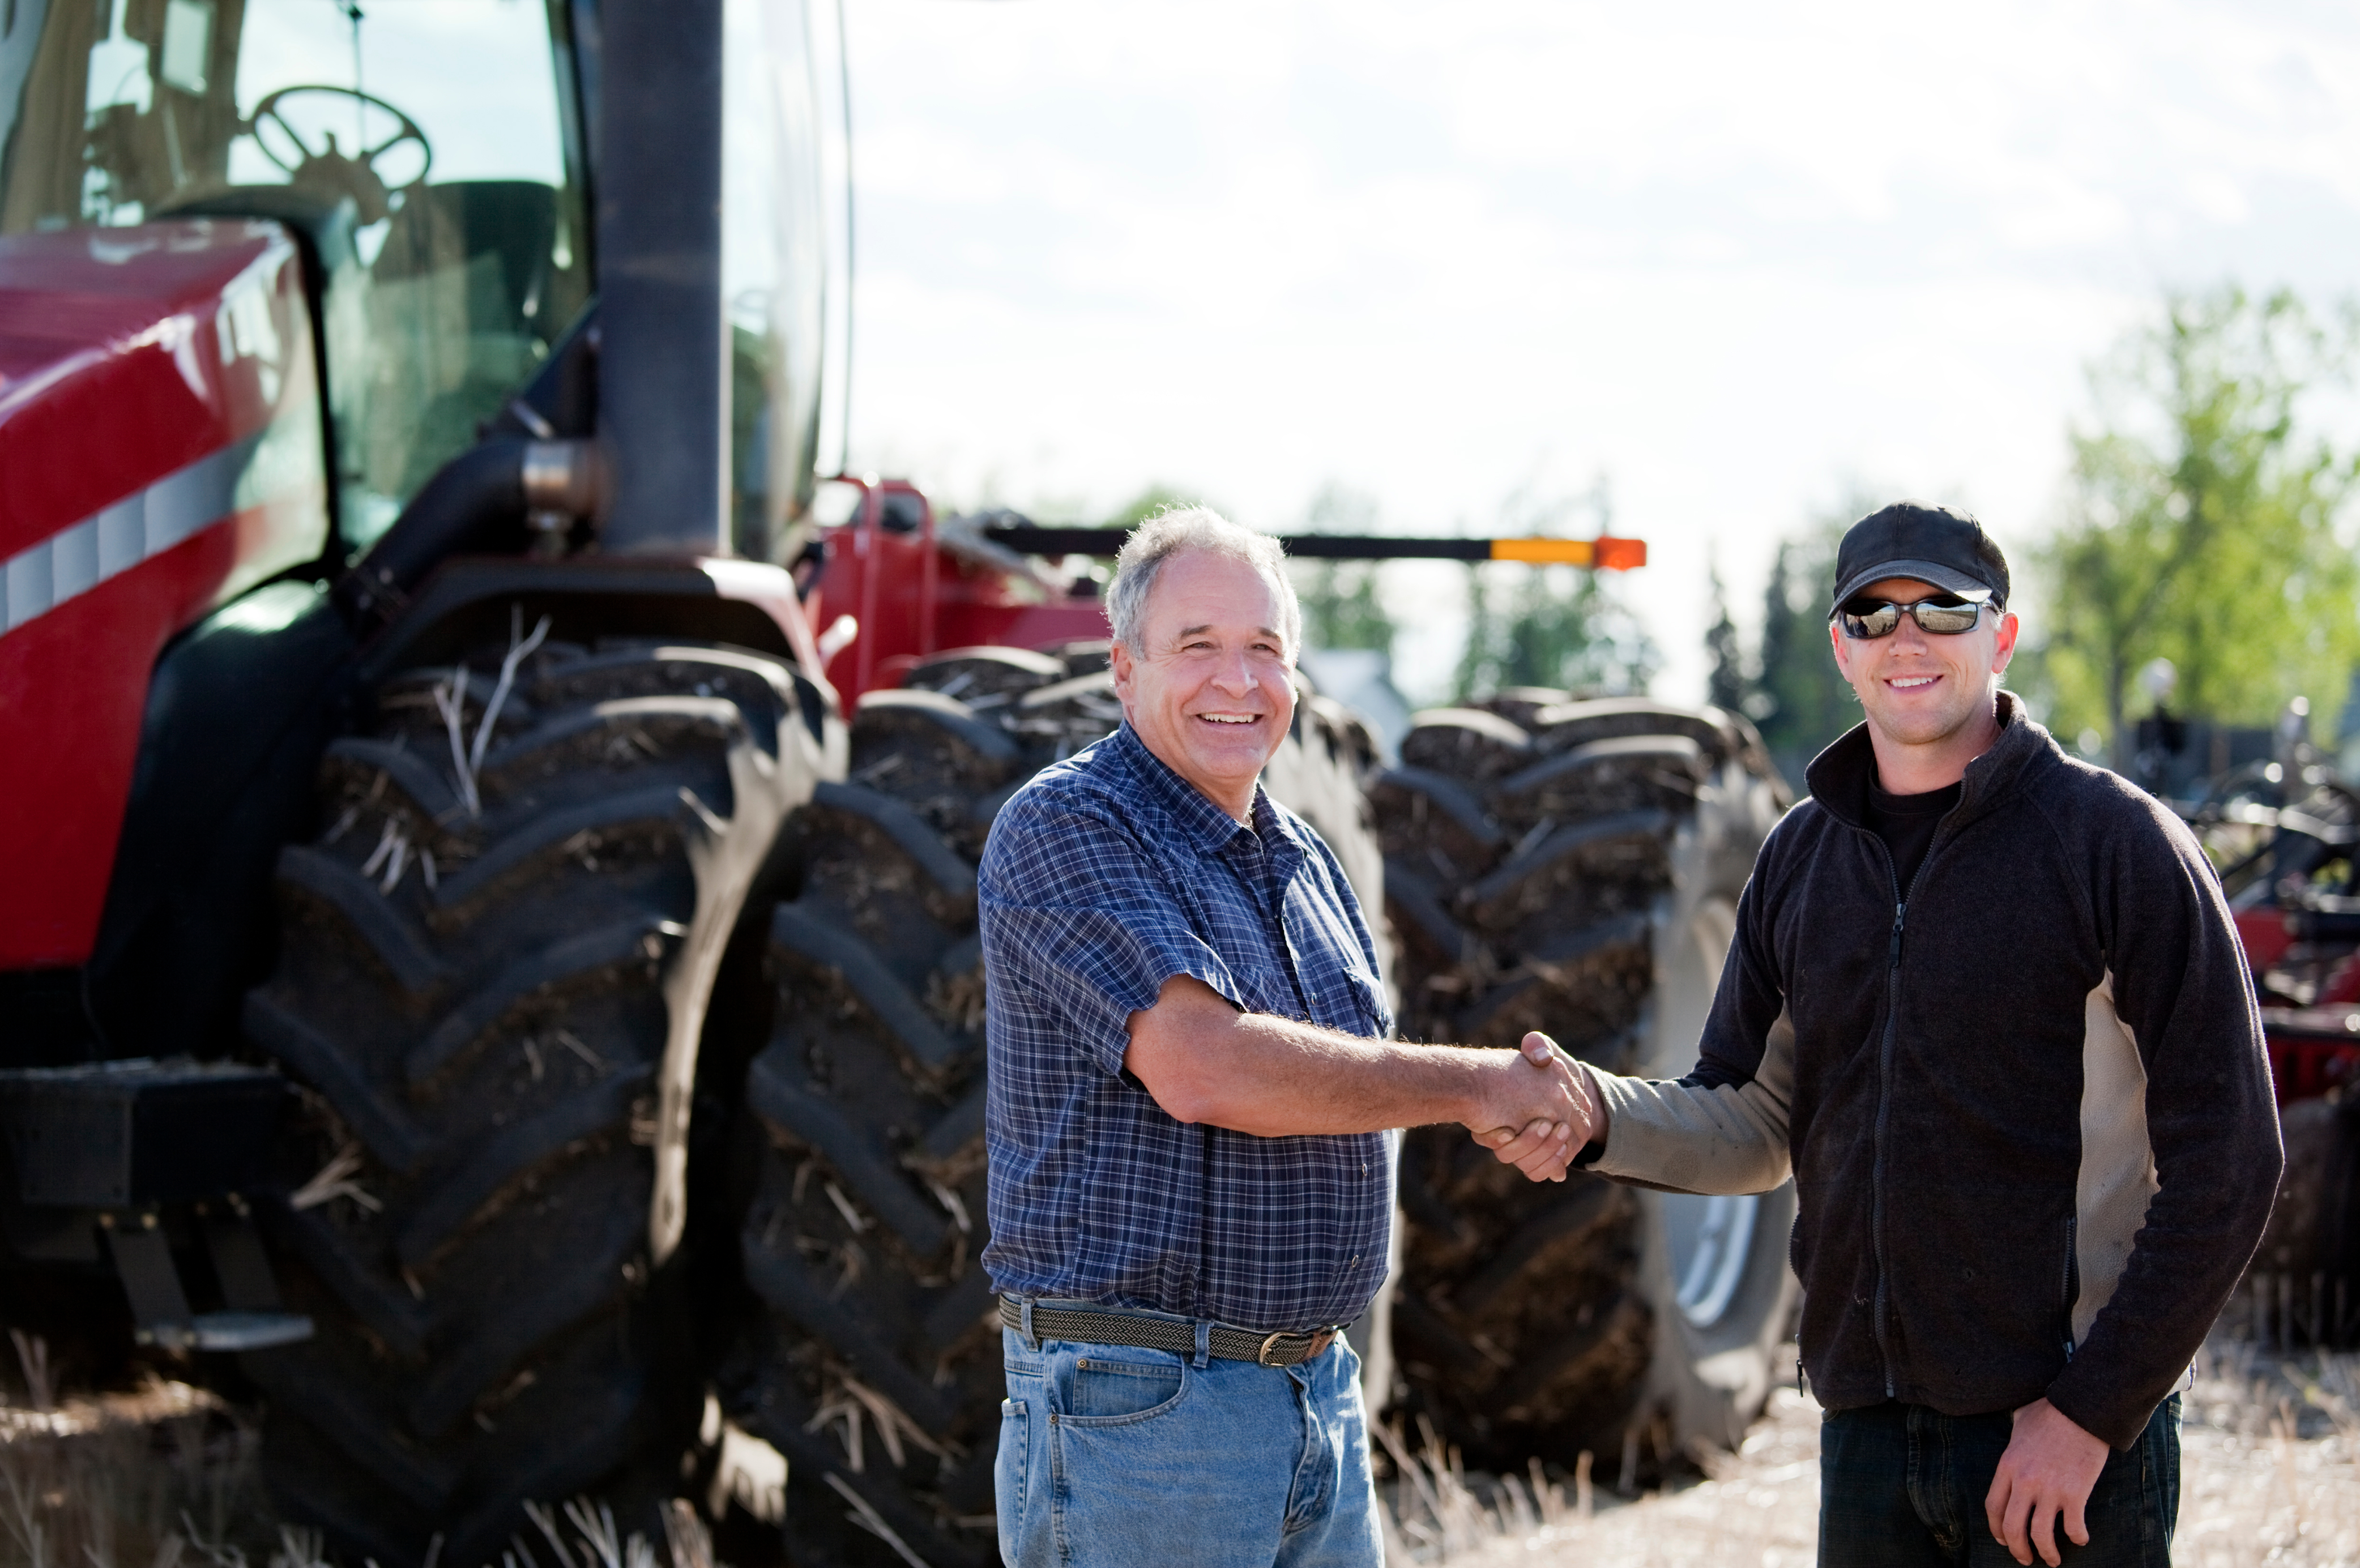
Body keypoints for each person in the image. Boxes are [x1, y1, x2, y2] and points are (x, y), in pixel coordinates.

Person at [1538, 502, 2283, 1568]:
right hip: (1868, 1434)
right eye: (1873, 615)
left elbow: (2231, 1162)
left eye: (1942, 609)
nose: (1907, 639)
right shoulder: (1799, 858)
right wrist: (1593, 1113)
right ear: (1841, 647)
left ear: (2002, 634)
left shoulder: (2114, 845)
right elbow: (1753, 1119)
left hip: (2064, 1437)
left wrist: (2090, 1411)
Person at [977, 506, 1583, 1568]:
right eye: (1196, 647)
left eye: (1264, 648)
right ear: (1123, 669)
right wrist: (1482, 1088)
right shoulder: (1069, 824)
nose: (1236, 680)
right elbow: (1204, 1067)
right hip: (1146, 1416)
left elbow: (1338, 1088)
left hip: (1317, 1399)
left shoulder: (1303, 857)